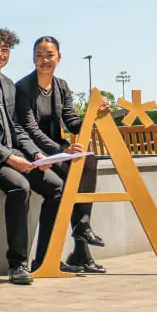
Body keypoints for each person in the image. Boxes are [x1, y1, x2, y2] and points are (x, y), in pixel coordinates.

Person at [0, 28, 62, 285]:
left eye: (5, 50)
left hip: (14, 152)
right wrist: (9, 158)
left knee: (56, 187)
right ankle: (18, 263)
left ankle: (45, 258)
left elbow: (17, 127)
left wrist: (35, 153)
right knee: (20, 187)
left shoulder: (8, 84)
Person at [15, 35, 109, 274]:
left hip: (58, 149)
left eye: (49, 55)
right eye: (39, 55)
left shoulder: (62, 86)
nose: (44, 60)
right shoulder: (23, 87)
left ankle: (82, 230)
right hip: (36, 151)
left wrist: (94, 115)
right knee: (70, 179)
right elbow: (30, 129)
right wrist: (60, 151)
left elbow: (72, 122)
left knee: (88, 159)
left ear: (59, 57)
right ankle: (79, 247)